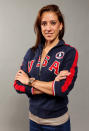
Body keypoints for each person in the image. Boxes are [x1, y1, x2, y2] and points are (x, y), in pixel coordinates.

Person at [13, 4, 78, 131]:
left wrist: (30, 82)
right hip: (33, 120)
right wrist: (52, 85)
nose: (48, 28)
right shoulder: (31, 52)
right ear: (40, 26)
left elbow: (63, 89)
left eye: (53, 23)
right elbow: (17, 85)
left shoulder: (69, 52)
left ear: (60, 25)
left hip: (57, 124)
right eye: (44, 24)